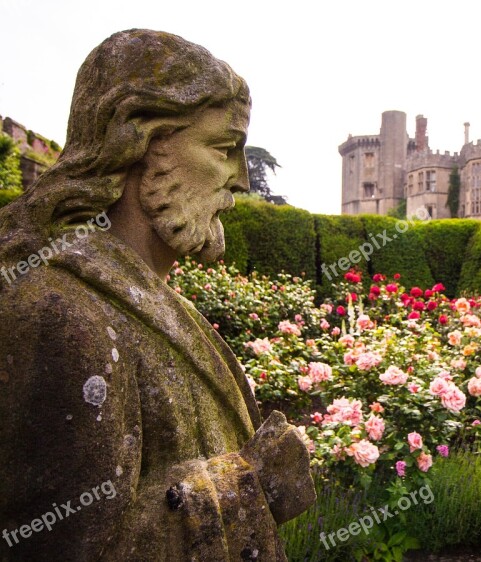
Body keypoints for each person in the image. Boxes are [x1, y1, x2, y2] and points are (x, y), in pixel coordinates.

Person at [0, 29, 314, 561]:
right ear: (143, 145)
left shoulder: (166, 306)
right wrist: (251, 481)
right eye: (223, 149)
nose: (240, 179)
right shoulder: (56, 312)